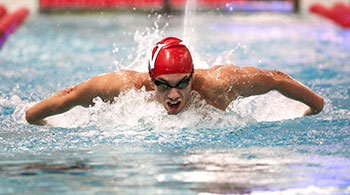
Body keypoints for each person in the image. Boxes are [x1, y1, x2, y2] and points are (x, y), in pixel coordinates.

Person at [25, 37, 324, 125]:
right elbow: (71, 94)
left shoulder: (218, 86)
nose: (174, 95)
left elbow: (276, 79)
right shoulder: (128, 88)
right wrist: (38, 119)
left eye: (182, 83)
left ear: (193, 78)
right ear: (151, 79)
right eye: (163, 85)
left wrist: (315, 107)